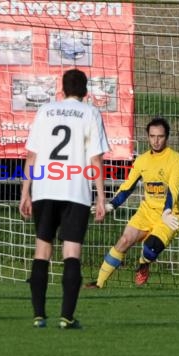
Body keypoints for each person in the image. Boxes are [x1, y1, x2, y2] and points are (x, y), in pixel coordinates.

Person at [19, 69, 110, 329]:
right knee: (71, 253)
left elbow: (31, 156)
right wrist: (101, 198)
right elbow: (95, 160)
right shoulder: (90, 112)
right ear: (85, 92)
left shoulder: (45, 111)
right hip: (75, 191)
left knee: (42, 251)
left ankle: (39, 315)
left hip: (45, 189)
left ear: (61, 90)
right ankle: (67, 317)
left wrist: (26, 192)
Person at [85, 116, 179, 289]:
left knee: (150, 248)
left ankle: (143, 264)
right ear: (147, 136)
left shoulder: (176, 159)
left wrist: (167, 211)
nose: (156, 141)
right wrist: (111, 205)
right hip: (147, 211)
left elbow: (173, 190)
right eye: (152, 136)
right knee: (124, 240)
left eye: (160, 136)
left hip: (171, 214)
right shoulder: (142, 160)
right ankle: (99, 284)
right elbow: (127, 186)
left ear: (167, 137)